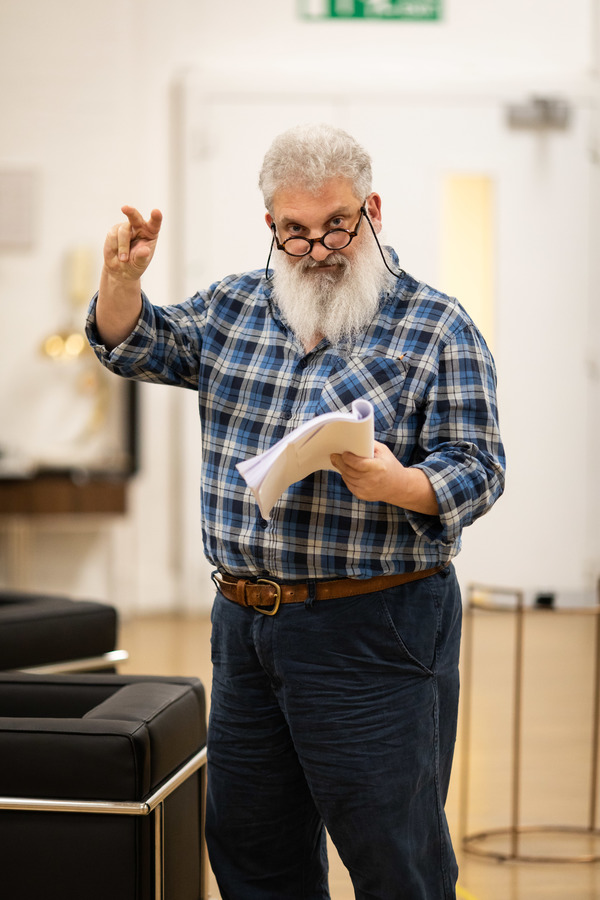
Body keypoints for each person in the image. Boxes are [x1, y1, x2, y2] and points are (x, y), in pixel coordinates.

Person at [86, 123, 505, 900]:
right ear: (271, 228)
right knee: (252, 846)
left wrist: (400, 482)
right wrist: (121, 281)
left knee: (394, 854)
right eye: (295, 232)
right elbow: (134, 344)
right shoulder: (235, 307)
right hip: (245, 627)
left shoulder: (436, 326)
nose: (318, 248)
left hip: (374, 628)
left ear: (372, 209)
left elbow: (479, 468)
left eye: (337, 223)